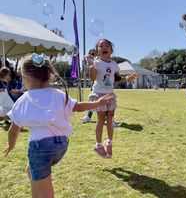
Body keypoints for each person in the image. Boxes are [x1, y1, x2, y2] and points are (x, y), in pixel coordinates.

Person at [3, 53, 112, 198]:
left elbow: (13, 130)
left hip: (40, 149)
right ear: (48, 76)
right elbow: (78, 106)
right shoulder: (58, 94)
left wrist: (11, 146)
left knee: (45, 190)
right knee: (31, 170)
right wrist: (97, 103)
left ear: (26, 78)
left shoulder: (24, 99)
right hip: (60, 146)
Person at [87, 39, 139, 158]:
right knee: (101, 119)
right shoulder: (96, 62)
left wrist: (127, 78)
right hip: (99, 94)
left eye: (107, 45)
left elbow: (116, 78)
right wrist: (91, 65)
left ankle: (109, 143)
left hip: (110, 93)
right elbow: (92, 78)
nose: (104, 47)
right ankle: (98, 145)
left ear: (111, 50)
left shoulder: (114, 64)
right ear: (97, 50)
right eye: (101, 46)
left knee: (110, 118)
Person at [81, 48, 97, 123]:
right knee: (92, 101)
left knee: (106, 103)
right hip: (94, 85)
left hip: (101, 85)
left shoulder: (99, 61)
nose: (92, 55)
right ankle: (88, 116)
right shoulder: (91, 62)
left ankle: (111, 119)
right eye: (91, 53)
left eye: (93, 53)